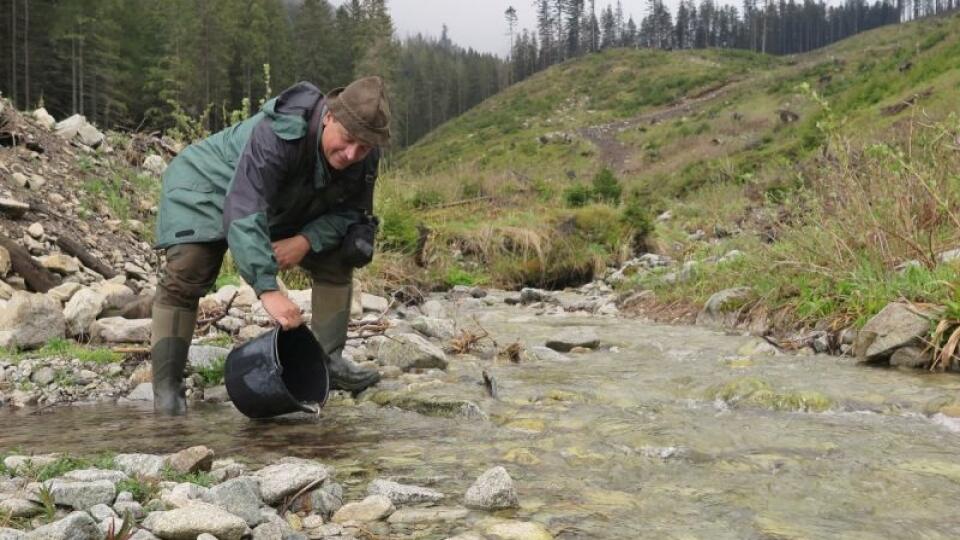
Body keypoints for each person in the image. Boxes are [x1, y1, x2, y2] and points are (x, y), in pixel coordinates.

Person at [150, 77, 390, 415]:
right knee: (189, 268)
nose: (352, 154)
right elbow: (244, 206)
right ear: (329, 118)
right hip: (205, 186)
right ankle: (167, 391)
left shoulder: (364, 155)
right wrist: (267, 289)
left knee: (343, 250)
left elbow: (352, 214)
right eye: (347, 140)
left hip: (280, 201)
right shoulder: (280, 132)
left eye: (363, 148)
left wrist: (306, 241)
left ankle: (327, 363)